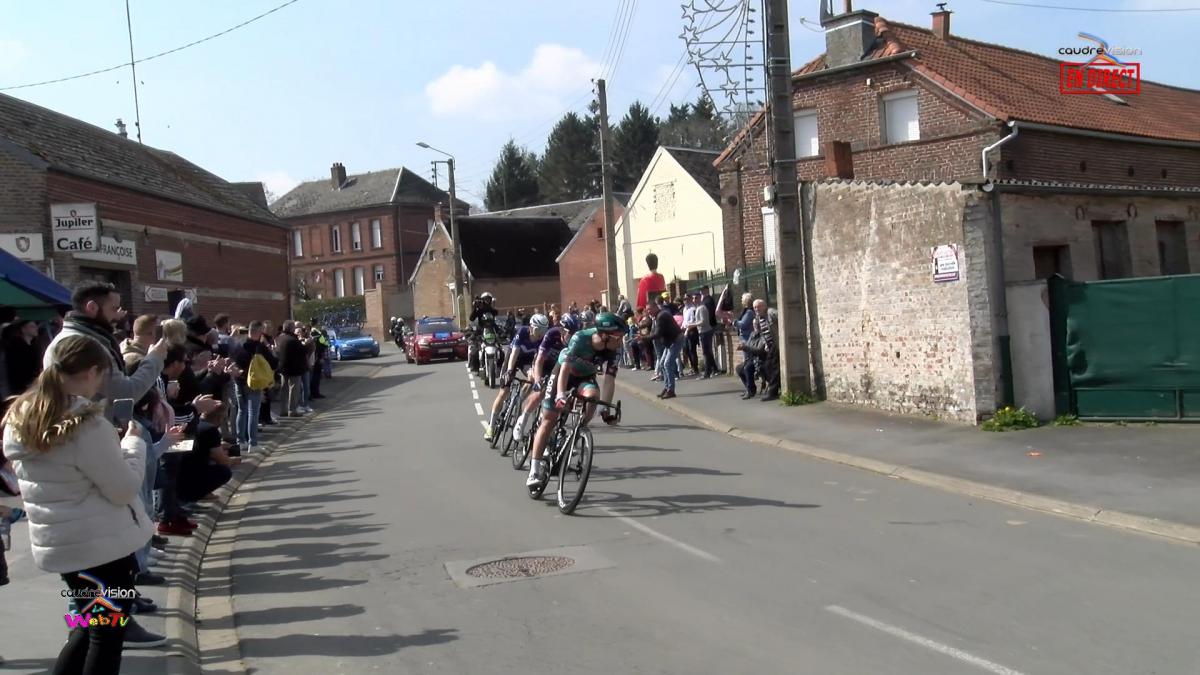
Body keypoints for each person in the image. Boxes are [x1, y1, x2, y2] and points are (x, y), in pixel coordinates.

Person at [4, 335, 166, 668]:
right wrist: (133, 446)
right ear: (92, 372)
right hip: (100, 548)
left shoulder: (22, 418)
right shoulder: (86, 426)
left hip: (62, 545)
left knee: (89, 625)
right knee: (105, 636)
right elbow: (122, 489)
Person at [525, 312, 623, 488]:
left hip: (585, 377)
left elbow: (609, 379)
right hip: (563, 374)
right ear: (604, 335)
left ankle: (577, 433)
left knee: (593, 397)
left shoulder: (615, 349)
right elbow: (565, 368)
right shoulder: (580, 338)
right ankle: (534, 470)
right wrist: (561, 394)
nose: (621, 341)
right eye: (619, 337)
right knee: (549, 420)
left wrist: (606, 409)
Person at [44, 282, 169, 410]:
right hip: (88, 425)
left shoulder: (81, 338)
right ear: (92, 307)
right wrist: (154, 358)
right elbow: (125, 393)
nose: (118, 316)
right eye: (114, 309)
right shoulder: (83, 345)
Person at [483, 313, 548, 442]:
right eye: (538, 330)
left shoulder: (542, 339)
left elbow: (537, 360)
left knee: (533, 378)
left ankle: (519, 399)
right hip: (513, 358)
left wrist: (534, 374)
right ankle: (491, 427)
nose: (540, 333)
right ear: (531, 327)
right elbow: (514, 353)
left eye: (543, 330)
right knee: (504, 392)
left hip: (527, 361)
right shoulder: (523, 332)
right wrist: (509, 371)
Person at [232, 321, 278, 449]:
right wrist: (272, 350)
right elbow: (274, 363)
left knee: (241, 411)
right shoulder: (259, 346)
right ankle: (253, 443)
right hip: (253, 381)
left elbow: (232, 359)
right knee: (253, 412)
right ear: (259, 332)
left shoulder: (238, 343)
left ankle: (240, 441)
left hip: (238, 380)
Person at [651, 295, 684, 399]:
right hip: (669, 342)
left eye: (649, 309)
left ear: (655, 307)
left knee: (667, 363)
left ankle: (671, 390)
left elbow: (657, 334)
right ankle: (667, 387)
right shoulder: (657, 316)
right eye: (646, 310)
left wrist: (644, 337)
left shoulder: (662, 315)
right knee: (662, 363)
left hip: (676, 340)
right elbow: (655, 332)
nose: (648, 312)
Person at [274, 320, 308, 418]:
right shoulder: (292, 339)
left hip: (283, 367)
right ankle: (292, 410)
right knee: (293, 389)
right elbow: (303, 351)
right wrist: (305, 343)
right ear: (291, 328)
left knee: (284, 389)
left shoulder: (279, 338)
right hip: (294, 368)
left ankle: (283, 410)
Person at [5, 318, 42, 394]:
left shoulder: (34, 346)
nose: (36, 328)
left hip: (33, 383)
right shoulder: (16, 347)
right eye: (32, 326)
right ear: (23, 329)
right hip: (22, 385)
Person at [734, 293, 758, 398]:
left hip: (748, 340)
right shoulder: (747, 312)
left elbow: (742, 325)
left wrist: (734, 322)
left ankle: (750, 389)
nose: (741, 301)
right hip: (745, 339)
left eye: (742, 299)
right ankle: (748, 388)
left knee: (747, 364)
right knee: (743, 366)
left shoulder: (749, 313)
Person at [695, 290, 716, 379]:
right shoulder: (699, 307)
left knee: (705, 353)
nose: (693, 300)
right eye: (693, 298)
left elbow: (703, 321)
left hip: (705, 332)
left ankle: (707, 372)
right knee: (708, 352)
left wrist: (693, 324)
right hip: (703, 332)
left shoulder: (702, 308)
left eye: (695, 298)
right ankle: (714, 368)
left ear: (700, 298)